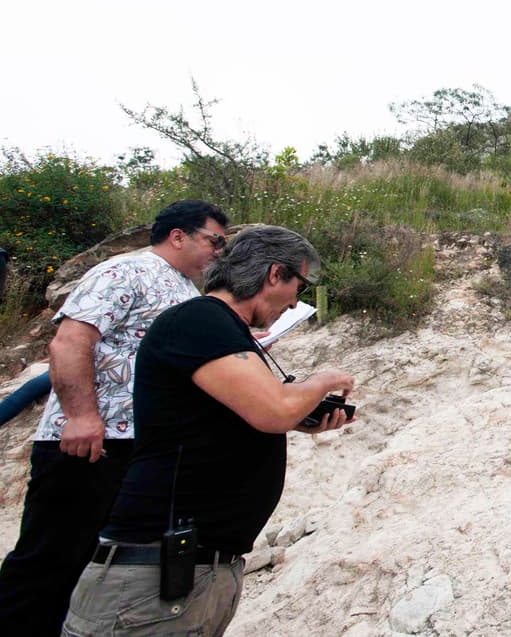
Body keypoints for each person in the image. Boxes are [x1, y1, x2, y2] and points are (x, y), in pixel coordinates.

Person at [60, 224, 355, 637]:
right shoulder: (201, 320)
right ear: (275, 274)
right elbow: (272, 410)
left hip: (186, 574)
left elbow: (244, 413)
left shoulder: (218, 328)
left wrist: (300, 416)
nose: (294, 303)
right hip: (155, 579)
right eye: (298, 286)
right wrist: (322, 381)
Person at [0, 199, 229, 636]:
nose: (219, 251)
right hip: (89, 442)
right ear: (178, 235)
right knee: (51, 559)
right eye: (214, 240)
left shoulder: (185, 289)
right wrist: (82, 417)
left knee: (98, 564)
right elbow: (69, 343)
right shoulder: (123, 271)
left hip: (139, 448)